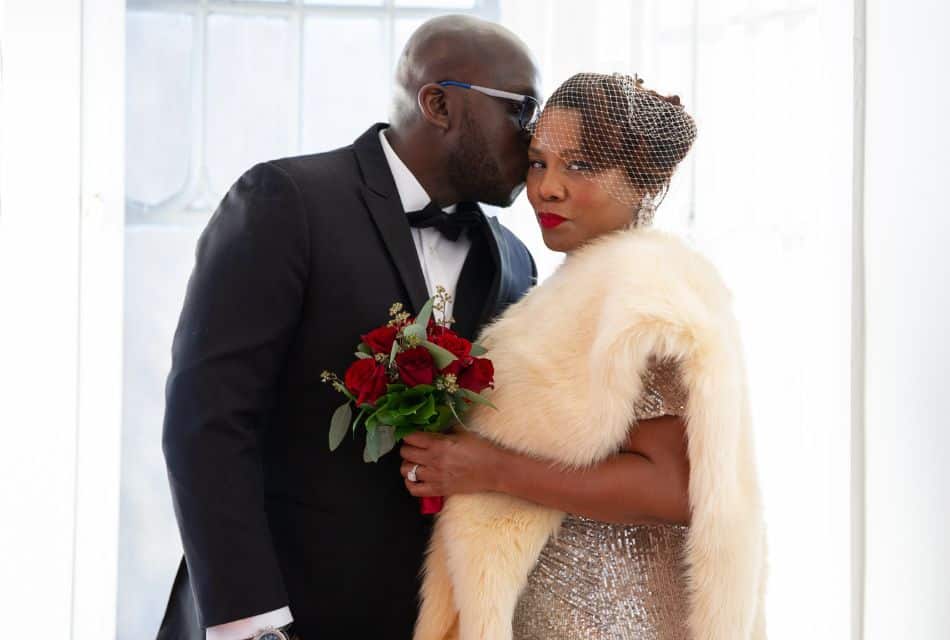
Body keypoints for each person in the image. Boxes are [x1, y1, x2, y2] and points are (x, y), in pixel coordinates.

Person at [157, 15, 540, 640]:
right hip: (279, 613)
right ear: (438, 103)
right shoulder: (285, 201)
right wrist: (252, 625)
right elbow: (208, 424)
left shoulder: (515, 262)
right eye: (521, 109)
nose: (534, 137)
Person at [401, 73, 767, 640]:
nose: (547, 187)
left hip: (615, 616)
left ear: (645, 180)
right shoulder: (585, 284)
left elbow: (675, 486)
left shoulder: (646, 290)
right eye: (539, 162)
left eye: (578, 166)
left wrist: (489, 468)